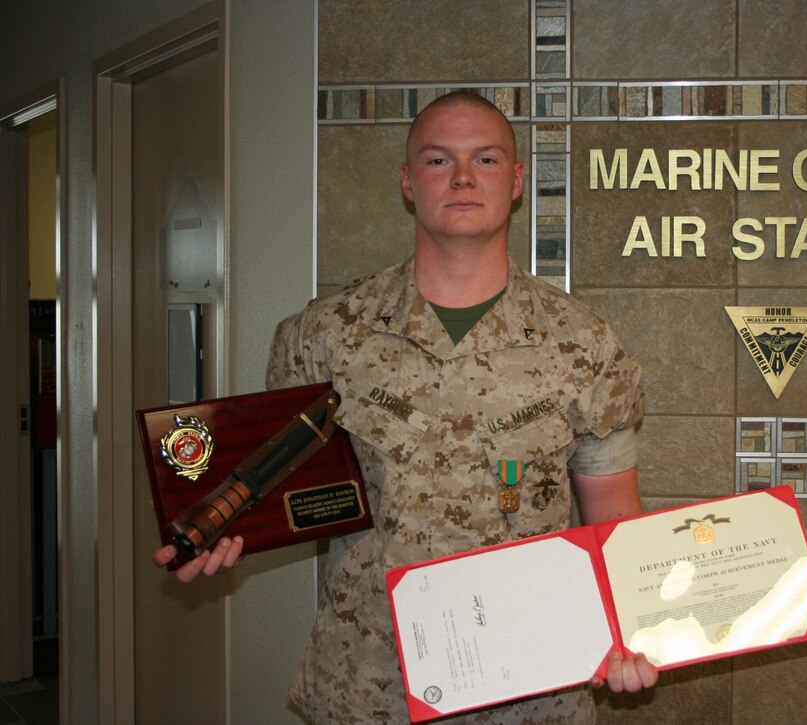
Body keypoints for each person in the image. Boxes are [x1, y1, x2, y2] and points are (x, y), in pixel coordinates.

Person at [154, 91, 657, 723]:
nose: (465, 178)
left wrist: (631, 628)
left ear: (518, 180)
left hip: (532, 689)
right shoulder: (325, 335)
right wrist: (227, 532)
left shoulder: (583, 344)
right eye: (439, 160)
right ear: (408, 181)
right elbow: (274, 486)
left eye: (487, 160)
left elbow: (612, 512)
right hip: (370, 683)